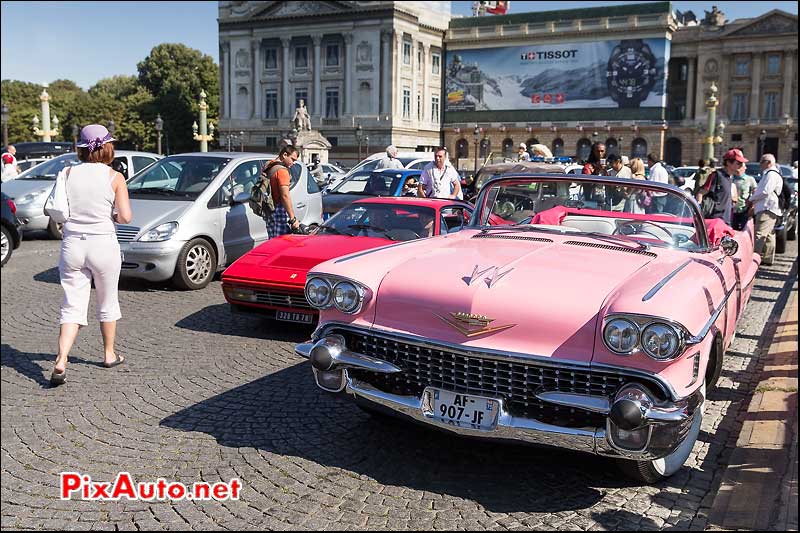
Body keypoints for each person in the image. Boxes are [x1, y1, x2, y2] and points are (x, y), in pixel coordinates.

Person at [50, 125, 132, 386]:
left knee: (71, 304)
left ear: (81, 148)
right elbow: (125, 216)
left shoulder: (67, 172)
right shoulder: (114, 176)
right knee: (107, 301)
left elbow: (59, 208)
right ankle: (109, 354)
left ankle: (61, 359)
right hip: (103, 244)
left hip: (73, 243)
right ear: (107, 147)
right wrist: (114, 215)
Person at [749, 154, 783, 265]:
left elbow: (765, 191)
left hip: (767, 207)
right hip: (770, 207)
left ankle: (755, 259)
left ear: (768, 162)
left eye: (761, 162)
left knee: (760, 234)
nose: (760, 165)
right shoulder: (772, 174)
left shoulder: (771, 174)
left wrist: (751, 199)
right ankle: (767, 258)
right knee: (769, 235)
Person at [696, 148, 741, 226]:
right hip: (715, 220)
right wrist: (698, 211)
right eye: (738, 163)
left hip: (726, 220)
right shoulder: (716, 175)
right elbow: (701, 193)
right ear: (728, 163)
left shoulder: (730, 177)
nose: (741, 166)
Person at [264, 145, 301, 237]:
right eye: (292, 159)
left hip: (268, 208)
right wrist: (293, 219)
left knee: (271, 240)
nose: (293, 163)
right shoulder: (282, 171)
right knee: (280, 241)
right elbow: (285, 196)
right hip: (278, 209)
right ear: (285, 155)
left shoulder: (268, 164)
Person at [731, 163, 758, 230]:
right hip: (732, 209)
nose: (738, 168)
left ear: (744, 168)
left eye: (741, 166)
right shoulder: (731, 179)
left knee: (744, 230)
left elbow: (755, 193)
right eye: (738, 165)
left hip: (745, 209)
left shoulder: (750, 179)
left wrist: (753, 206)